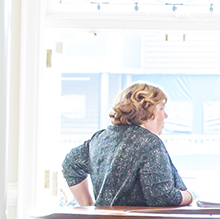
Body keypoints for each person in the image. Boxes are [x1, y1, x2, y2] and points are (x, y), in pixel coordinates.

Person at [62, 83, 194, 207]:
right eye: (162, 109)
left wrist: (88, 206)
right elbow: (162, 197)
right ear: (149, 111)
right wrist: (188, 196)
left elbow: (71, 164)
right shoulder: (149, 143)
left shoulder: (100, 138)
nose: (166, 116)